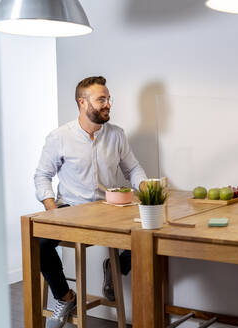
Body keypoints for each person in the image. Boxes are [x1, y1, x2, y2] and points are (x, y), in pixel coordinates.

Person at [34, 76, 148, 328]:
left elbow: (133, 169)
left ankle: (117, 265)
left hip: (110, 207)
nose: (108, 104)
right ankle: (64, 297)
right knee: (39, 244)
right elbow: (42, 176)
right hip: (70, 209)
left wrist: (145, 185)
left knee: (149, 228)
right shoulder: (59, 137)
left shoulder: (116, 134)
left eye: (108, 99)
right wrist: (53, 211)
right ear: (82, 103)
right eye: (101, 99)